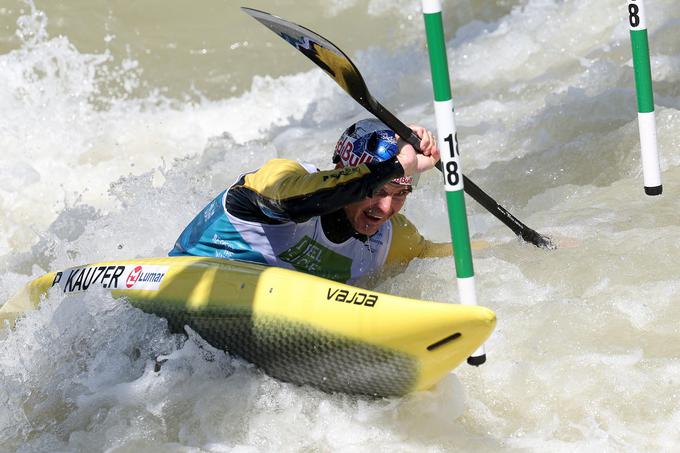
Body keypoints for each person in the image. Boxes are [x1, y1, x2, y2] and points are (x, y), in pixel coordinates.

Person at [169, 118, 460, 285]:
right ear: (340, 171)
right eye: (378, 191)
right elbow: (296, 203)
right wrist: (395, 167)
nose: (385, 209)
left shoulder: (391, 237)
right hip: (188, 284)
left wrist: (499, 245)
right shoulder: (283, 178)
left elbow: (443, 257)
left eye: (399, 195)